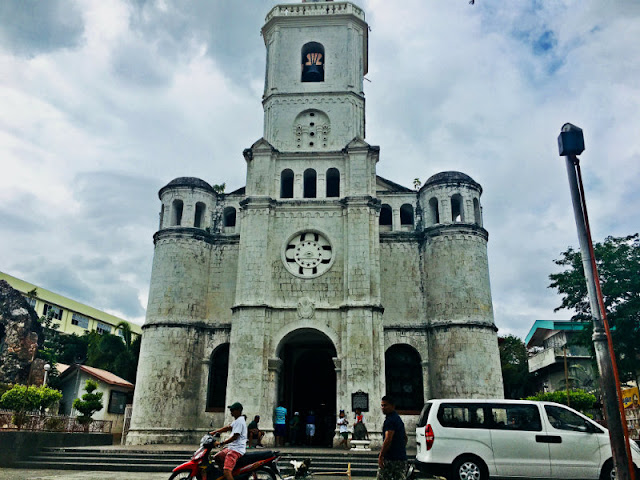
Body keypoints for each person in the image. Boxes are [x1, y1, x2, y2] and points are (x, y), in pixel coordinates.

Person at [209, 402, 248, 480]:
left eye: (233, 410)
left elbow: (235, 437)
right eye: (231, 410)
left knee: (227, 471)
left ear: (238, 411)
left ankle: (227, 474)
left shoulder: (240, 422)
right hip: (232, 448)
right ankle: (223, 477)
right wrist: (214, 432)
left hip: (236, 450)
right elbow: (227, 428)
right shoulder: (237, 420)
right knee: (217, 457)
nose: (231, 412)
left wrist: (222, 443)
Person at [377, 396, 407, 480]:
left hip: (390, 459)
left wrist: (381, 455)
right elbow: (405, 438)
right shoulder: (398, 419)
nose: (383, 408)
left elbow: (388, 439)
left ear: (392, 406)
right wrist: (400, 448)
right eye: (382, 405)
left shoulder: (390, 421)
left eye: (385, 405)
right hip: (401, 458)